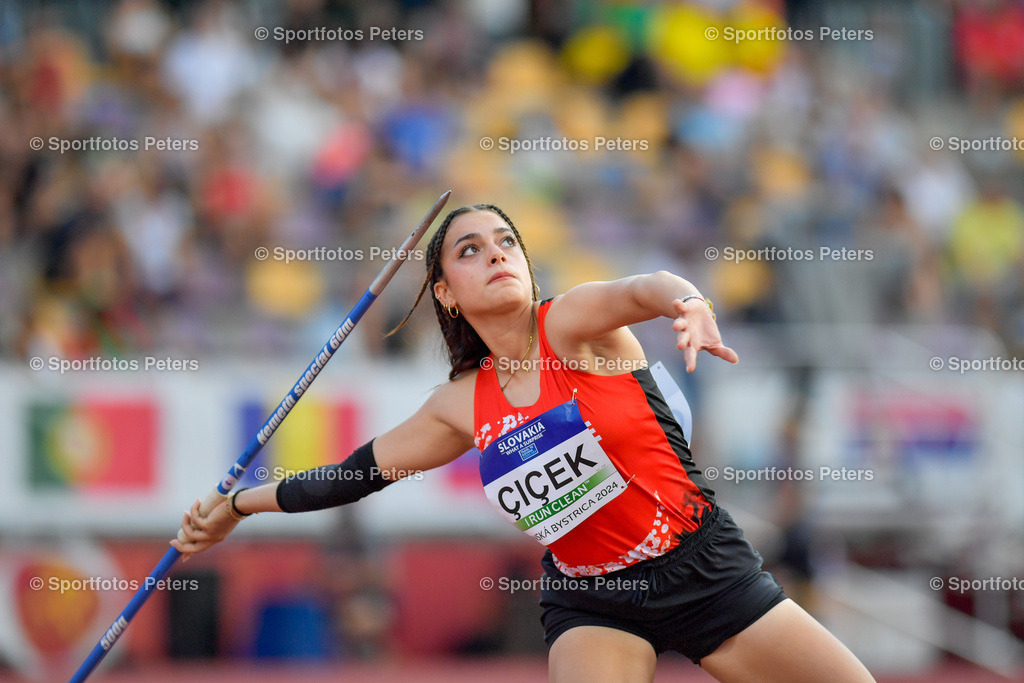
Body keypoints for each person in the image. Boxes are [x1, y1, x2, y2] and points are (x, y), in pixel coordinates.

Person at [172, 204, 875, 682]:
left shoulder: (570, 325)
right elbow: (353, 474)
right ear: (447, 292)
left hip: (704, 568)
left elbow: (643, 287)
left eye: (506, 241)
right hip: (593, 599)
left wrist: (690, 304)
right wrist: (240, 505)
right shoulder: (456, 405)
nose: (497, 255)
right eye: (471, 251)